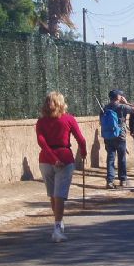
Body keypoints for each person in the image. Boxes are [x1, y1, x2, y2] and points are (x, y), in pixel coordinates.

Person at [36, 92, 87, 242]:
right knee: (59, 195)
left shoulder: (41, 121)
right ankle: (57, 227)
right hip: (64, 158)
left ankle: (58, 222)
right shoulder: (69, 119)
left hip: (45, 159)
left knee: (52, 194)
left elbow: (41, 141)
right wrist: (83, 152)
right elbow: (81, 139)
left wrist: (51, 157)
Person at [101, 89, 134, 189]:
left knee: (110, 158)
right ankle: (123, 180)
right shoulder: (122, 107)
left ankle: (109, 181)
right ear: (118, 97)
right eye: (120, 96)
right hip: (120, 136)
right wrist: (127, 102)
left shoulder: (105, 108)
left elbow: (101, 122)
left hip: (108, 136)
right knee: (121, 158)